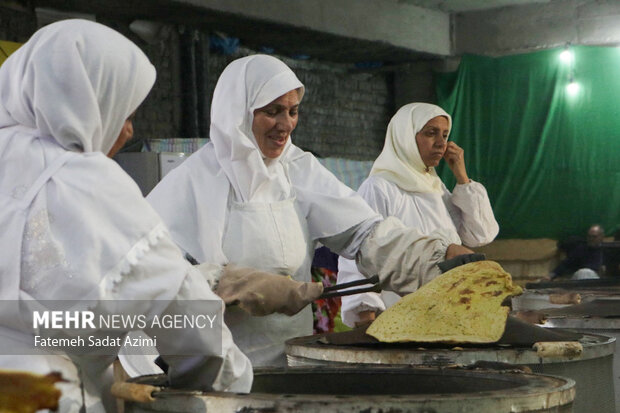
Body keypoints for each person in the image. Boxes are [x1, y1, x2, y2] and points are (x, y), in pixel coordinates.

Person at [146, 54, 473, 367]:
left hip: (289, 365)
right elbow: (150, 281)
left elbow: (364, 234)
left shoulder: (297, 169)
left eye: (293, 111)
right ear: (239, 112)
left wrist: (434, 256)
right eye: (273, 111)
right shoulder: (191, 183)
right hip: (215, 370)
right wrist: (223, 283)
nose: (285, 124)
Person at [0, 20, 252, 412]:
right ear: (84, 103)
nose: (129, 130)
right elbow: (185, 314)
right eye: (121, 111)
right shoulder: (84, 181)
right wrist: (227, 392)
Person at [337, 103, 499, 327]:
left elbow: (480, 234)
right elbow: (359, 255)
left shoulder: (434, 186)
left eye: (445, 135)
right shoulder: (380, 187)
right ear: (405, 136)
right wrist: (366, 319)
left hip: (448, 314)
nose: (441, 143)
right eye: (431, 133)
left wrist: (462, 177)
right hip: (400, 319)